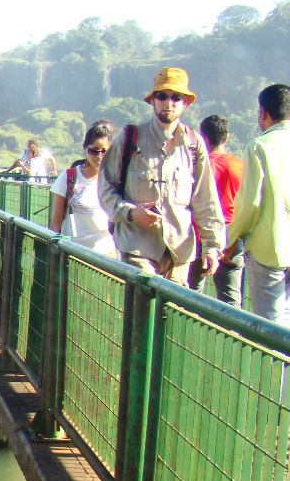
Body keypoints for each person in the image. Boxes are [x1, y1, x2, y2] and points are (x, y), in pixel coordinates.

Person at [97, 67, 225, 287]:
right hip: (138, 249)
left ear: (185, 102)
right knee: (143, 312)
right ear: (152, 100)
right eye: (162, 95)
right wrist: (130, 212)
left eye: (176, 97)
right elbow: (104, 189)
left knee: (171, 316)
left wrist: (212, 246)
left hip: (179, 253)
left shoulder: (194, 145)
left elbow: (206, 199)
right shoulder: (129, 139)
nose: (169, 102)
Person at [226, 83, 290, 326]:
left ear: (263, 112)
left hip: (269, 250)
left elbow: (250, 203)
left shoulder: (260, 146)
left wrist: (231, 238)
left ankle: (275, 366)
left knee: (270, 328)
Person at [186, 115, 245, 305]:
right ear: (226, 137)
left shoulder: (195, 166)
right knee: (230, 297)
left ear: (202, 137)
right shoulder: (239, 166)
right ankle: (234, 332)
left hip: (198, 233)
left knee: (191, 292)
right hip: (232, 235)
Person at [48, 122, 117, 258]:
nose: (99, 156)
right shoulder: (68, 177)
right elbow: (55, 221)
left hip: (107, 256)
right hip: (73, 254)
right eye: (93, 150)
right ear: (85, 149)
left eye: (104, 151)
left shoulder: (115, 179)